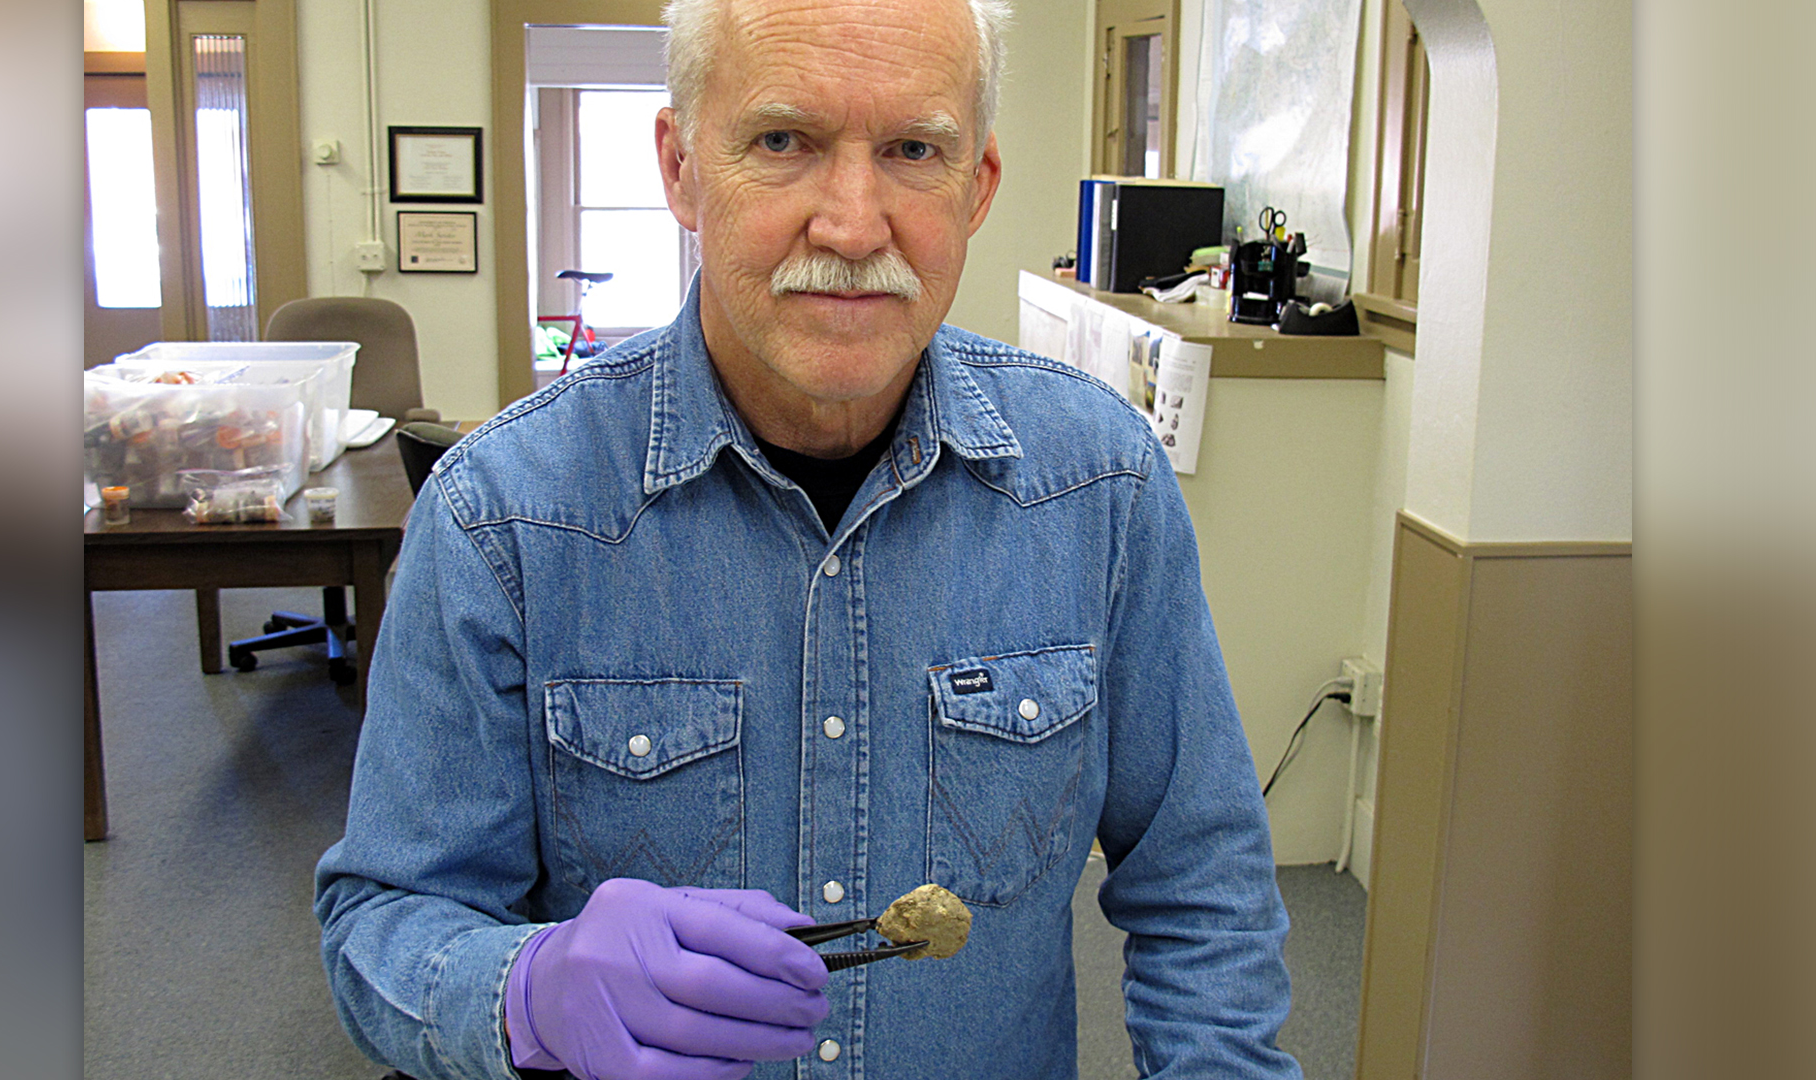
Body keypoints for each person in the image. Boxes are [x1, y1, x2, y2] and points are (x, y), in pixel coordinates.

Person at [315, 0, 1300, 1077]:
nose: (852, 224)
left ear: (976, 189)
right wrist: (524, 991)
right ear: (683, 167)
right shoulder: (502, 516)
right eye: (784, 142)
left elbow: (1205, 887)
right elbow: (389, 919)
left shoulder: (1098, 488)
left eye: (913, 151)